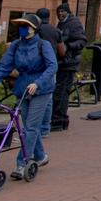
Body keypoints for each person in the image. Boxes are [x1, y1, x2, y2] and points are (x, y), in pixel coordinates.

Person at [0, 12, 57, 179]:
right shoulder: (16, 45)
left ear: (34, 29)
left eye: (26, 26)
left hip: (41, 89)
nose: (22, 29)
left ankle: (21, 163)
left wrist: (37, 83)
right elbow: (4, 66)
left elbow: (52, 67)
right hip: (22, 88)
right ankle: (40, 156)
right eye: (21, 26)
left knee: (30, 127)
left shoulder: (43, 45)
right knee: (29, 126)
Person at [51, 1, 86, 132]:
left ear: (68, 12)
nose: (60, 14)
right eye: (58, 12)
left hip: (69, 64)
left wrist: (69, 47)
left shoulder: (74, 23)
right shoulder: (61, 23)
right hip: (62, 63)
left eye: (62, 11)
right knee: (59, 91)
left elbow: (82, 40)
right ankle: (59, 119)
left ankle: (59, 120)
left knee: (62, 91)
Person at [35, 8, 63, 138]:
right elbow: (62, 51)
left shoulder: (35, 30)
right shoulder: (56, 30)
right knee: (48, 98)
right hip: (51, 67)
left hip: (35, 67)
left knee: (34, 97)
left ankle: (33, 127)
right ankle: (45, 128)